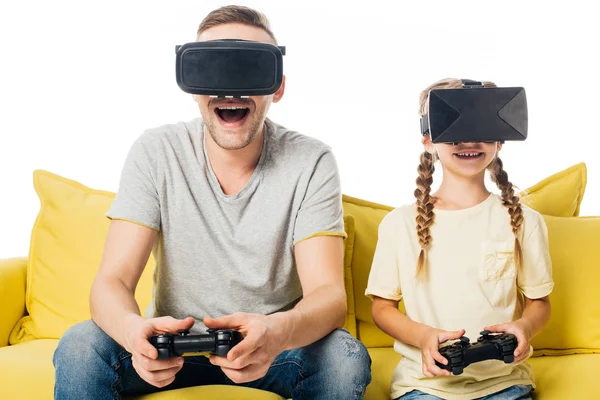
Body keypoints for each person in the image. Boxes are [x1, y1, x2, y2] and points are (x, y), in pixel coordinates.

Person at [53, 5, 371, 399]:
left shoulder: (311, 161)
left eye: (249, 70)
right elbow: (112, 281)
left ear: (278, 86)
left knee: (344, 354)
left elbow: (328, 294)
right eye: (214, 68)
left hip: (273, 350)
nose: (230, 89)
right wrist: (132, 333)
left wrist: (277, 332)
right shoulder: (156, 151)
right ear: (190, 81)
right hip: (173, 348)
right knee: (81, 344)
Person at [365, 78, 553, 400]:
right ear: (428, 140)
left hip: (504, 383)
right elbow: (383, 307)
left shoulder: (524, 222)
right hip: (424, 385)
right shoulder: (399, 225)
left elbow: (539, 304)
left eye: (480, 127)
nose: (469, 141)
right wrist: (423, 336)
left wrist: (525, 328)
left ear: (499, 140)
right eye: (453, 128)